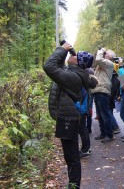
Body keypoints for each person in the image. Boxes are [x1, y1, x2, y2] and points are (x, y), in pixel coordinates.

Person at [43, 42, 95, 188]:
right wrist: (65, 52)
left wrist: (62, 49)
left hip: (69, 119)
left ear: (78, 62)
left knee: (72, 157)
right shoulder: (74, 73)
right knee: (70, 155)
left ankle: (74, 186)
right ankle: (73, 184)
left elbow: (49, 67)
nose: (73, 54)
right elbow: (58, 69)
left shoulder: (74, 77)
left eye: (75, 55)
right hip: (69, 117)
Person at [93, 48, 116, 143]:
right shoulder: (103, 64)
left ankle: (109, 135)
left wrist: (101, 51)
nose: (104, 53)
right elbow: (96, 59)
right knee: (99, 115)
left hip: (103, 91)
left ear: (110, 56)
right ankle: (103, 133)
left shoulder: (109, 63)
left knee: (105, 115)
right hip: (98, 90)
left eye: (106, 53)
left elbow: (98, 59)